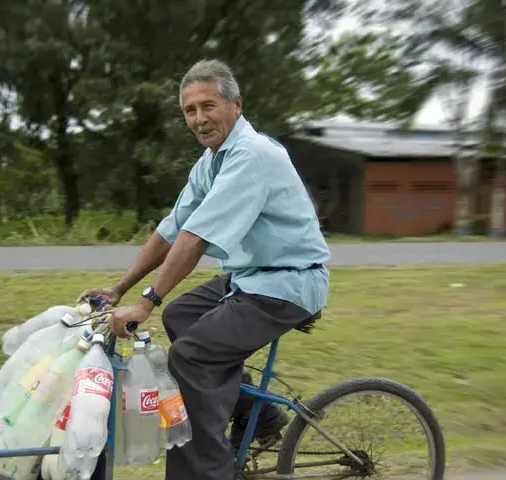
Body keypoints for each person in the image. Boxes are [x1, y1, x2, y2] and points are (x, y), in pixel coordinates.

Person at [80, 59, 330, 480]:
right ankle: (258, 411)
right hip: (250, 277)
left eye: (208, 106)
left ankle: (209, 471)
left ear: (236, 104)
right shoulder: (211, 160)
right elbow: (171, 230)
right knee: (181, 317)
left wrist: (147, 302)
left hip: (287, 283)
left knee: (191, 360)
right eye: (189, 110)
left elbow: (193, 240)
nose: (199, 118)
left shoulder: (251, 156)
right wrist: (119, 288)